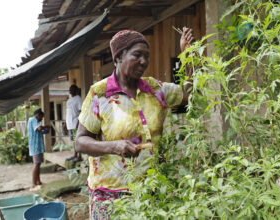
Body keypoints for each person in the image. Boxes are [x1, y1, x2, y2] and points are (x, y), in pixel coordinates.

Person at [76, 27, 193, 219]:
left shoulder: (155, 89)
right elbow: (80, 142)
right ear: (118, 57)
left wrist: (188, 56)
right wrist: (114, 146)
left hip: (149, 190)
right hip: (110, 197)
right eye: (137, 55)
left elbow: (189, 94)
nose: (144, 61)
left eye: (146, 56)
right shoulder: (100, 93)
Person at [27, 108, 50, 191]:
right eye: (41, 117)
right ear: (38, 115)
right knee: (36, 165)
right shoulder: (33, 120)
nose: (41, 119)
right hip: (35, 147)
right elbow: (40, 128)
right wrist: (45, 127)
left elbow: (39, 131)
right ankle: (33, 184)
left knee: (38, 164)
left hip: (38, 147)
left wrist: (45, 131)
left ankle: (38, 182)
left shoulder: (35, 122)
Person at [65, 84, 82, 162]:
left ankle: (79, 156)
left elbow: (81, 111)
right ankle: (75, 154)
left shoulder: (78, 99)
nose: (70, 91)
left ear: (75, 90)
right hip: (70, 124)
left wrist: (78, 123)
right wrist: (65, 124)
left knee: (77, 140)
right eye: (69, 90)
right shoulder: (69, 100)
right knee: (73, 140)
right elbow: (68, 113)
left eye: (71, 89)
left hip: (75, 123)